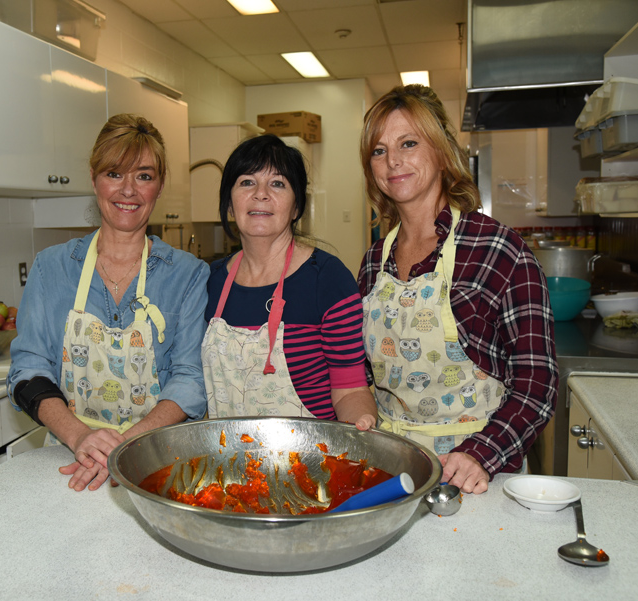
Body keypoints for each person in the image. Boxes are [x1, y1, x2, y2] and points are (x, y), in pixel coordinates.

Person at [357, 85, 558, 494]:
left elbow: (538, 382)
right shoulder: (374, 261)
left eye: (408, 143)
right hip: (390, 471)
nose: (393, 160)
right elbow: (362, 372)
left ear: (442, 151)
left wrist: (481, 453)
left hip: (475, 476)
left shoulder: (499, 250)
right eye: (378, 151)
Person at [8, 114, 209, 492]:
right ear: (94, 177)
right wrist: (81, 436)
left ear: (160, 185)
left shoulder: (188, 275)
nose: (128, 190)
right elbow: (28, 369)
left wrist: (129, 442)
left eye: (144, 176)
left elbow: (190, 379)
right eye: (115, 173)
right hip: (71, 461)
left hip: (155, 460)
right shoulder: (51, 267)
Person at [203, 134, 377, 430]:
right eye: (247, 182)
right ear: (229, 204)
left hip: (308, 462)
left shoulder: (327, 279)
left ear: (296, 208)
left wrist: (360, 424)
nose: (261, 193)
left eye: (278, 183)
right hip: (227, 461)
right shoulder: (209, 282)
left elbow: (349, 388)